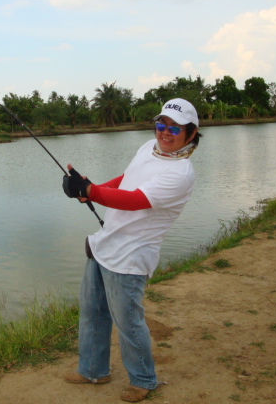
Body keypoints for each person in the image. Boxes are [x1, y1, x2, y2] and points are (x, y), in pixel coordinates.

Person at [61, 98, 200, 402]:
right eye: (161, 123)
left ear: (191, 134)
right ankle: (92, 370)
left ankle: (143, 379)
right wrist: (91, 188)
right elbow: (126, 181)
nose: (165, 131)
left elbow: (136, 199)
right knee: (92, 314)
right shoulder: (147, 148)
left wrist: (92, 192)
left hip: (131, 256)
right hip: (105, 243)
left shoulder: (180, 173)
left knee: (129, 323)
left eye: (175, 127)